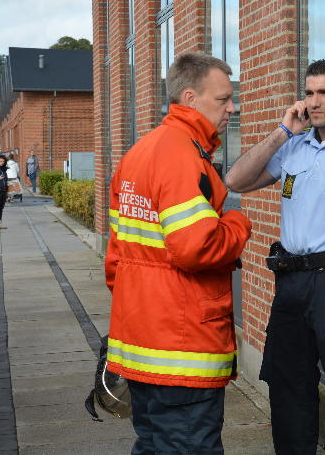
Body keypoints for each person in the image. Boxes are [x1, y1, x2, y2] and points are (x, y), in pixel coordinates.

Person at [104, 52, 252, 455]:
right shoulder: (182, 156)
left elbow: (116, 258)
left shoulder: (141, 151)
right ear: (191, 97)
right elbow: (195, 247)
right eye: (223, 100)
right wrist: (238, 226)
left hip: (142, 339)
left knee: (153, 444)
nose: (232, 108)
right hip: (181, 347)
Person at [226, 59, 325, 454]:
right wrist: (284, 131)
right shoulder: (294, 147)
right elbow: (236, 180)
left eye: (324, 93)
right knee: (287, 384)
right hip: (290, 282)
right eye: (308, 92)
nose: (314, 101)